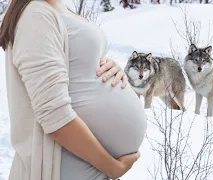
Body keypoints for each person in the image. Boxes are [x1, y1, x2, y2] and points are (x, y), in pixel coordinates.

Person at [0, 0, 147, 180]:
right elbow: (54, 115)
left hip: (85, 167)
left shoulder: (58, 7)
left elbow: (76, 64)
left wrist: (107, 66)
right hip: (66, 169)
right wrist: (112, 167)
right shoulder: (35, 16)